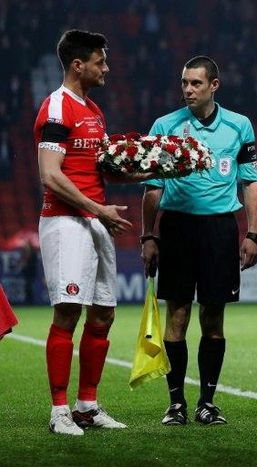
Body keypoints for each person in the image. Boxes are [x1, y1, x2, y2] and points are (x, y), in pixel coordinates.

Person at [141, 55, 257, 426]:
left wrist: (254, 232)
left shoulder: (239, 126)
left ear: (214, 85)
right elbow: (153, 186)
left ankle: (207, 402)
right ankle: (176, 404)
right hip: (177, 228)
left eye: (195, 83)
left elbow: (250, 181)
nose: (188, 90)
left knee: (213, 317)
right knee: (177, 317)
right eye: (184, 83)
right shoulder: (165, 125)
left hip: (220, 229)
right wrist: (148, 235)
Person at [34, 29, 134, 436]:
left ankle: (87, 406)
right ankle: (59, 411)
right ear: (79, 65)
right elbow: (49, 175)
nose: (106, 68)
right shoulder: (58, 106)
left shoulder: (93, 110)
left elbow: (101, 171)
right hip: (65, 222)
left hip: (94, 221)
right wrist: (96, 209)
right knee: (68, 312)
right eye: (100, 61)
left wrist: (156, 169)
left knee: (104, 314)